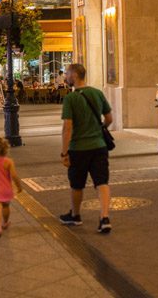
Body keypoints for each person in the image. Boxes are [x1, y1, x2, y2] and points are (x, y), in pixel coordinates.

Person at [59, 63, 112, 234]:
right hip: (99, 146)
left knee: (77, 184)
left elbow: (67, 127)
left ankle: (75, 216)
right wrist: (99, 130)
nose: (65, 77)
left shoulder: (70, 98)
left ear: (74, 75)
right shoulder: (97, 93)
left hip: (78, 149)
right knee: (101, 182)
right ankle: (104, 218)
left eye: (67, 73)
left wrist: (64, 152)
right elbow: (109, 118)